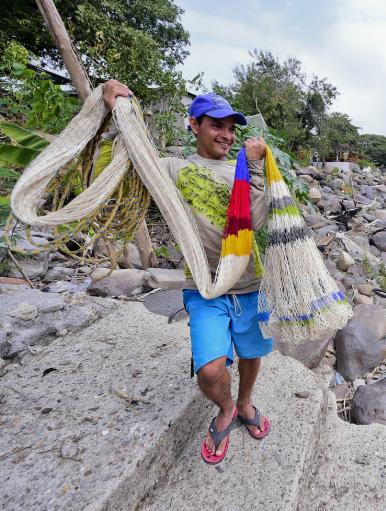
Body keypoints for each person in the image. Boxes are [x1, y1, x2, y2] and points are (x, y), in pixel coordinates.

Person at [102, 80, 272, 464]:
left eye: (231, 128)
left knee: (250, 351)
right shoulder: (174, 169)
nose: (227, 135)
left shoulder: (241, 170)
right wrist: (115, 110)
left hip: (248, 284)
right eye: (216, 125)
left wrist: (257, 166)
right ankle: (225, 405)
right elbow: (131, 158)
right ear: (194, 125)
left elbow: (257, 221)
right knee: (210, 370)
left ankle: (244, 404)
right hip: (205, 288)